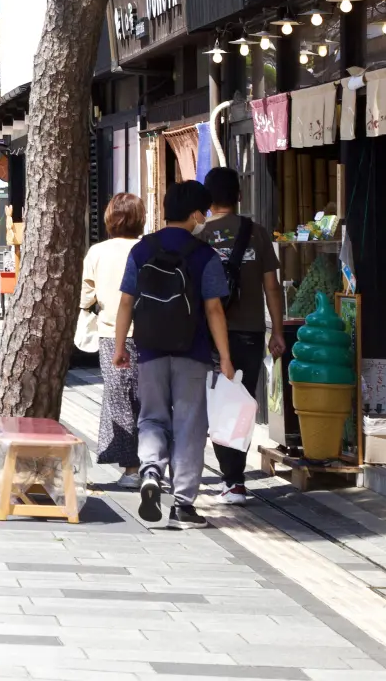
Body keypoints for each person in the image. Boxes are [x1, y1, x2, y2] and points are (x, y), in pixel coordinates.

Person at [110, 179, 235, 529]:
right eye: (204, 213)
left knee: (151, 418)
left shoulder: (142, 250)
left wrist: (121, 347)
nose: (205, 219)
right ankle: (183, 503)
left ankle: (150, 473)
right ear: (195, 213)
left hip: (149, 350)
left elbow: (125, 302)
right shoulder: (204, 255)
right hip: (191, 353)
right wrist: (224, 356)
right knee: (190, 425)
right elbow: (214, 310)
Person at [198, 166, 284, 506]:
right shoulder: (257, 232)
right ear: (239, 195)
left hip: (209, 335)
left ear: (207, 200)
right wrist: (277, 331)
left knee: (218, 404)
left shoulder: (200, 235)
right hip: (250, 332)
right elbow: (272, 287)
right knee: (243, 404)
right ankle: (235, 480)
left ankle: (231, 478)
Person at [84, 193, 146, 486]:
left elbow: (85, 296)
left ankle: (131, 469)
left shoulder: (98, 252)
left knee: (120, 400)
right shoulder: (148, 248)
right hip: (150, 334)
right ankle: (153, 462)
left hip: (111, 333)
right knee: (149, 400)